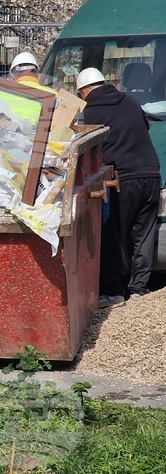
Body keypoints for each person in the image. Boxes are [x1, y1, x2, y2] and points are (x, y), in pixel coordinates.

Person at [77, 67, 161, 307]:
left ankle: (114, 291)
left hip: (121, 178)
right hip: (151, 174)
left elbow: (86, 147)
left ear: (84, 91)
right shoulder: (131, 102)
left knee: (116, 234)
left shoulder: (91, 111)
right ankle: (139, 289)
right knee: (143, 234)